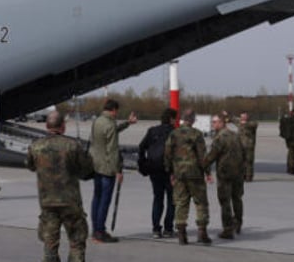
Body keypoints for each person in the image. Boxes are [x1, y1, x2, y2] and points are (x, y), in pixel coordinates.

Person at [25, 111, 90, 262]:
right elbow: (85, 169)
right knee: (77, 242)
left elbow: (29, 166)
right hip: (70, 203)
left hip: (48, 204)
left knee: (50, 245)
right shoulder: (73, 146)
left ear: (47, 126)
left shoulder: (35, 147)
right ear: (63, 126)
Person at [89, 99, 136, 243]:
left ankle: (95, 230)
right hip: (107, 168)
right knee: (105, 200)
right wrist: (118, 171)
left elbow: (111, 133)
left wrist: (128, 123)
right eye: (117, 111)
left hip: (96, 166)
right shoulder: (110, 124)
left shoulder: (97, 121)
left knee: (96, 198)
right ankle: (100, 232)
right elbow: (113, 151)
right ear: (114, 110)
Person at [164, 108, 213, 246]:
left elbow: (167, 153)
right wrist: (208, 172)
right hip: (195, 173)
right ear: (192, 119)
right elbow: (202, 156)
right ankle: (202, 232)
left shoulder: (174, 133)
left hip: (179, 173)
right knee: (201, 202)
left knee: (181, 202)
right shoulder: (197, 134)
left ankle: (181, 234)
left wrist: (170, 171)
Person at [203, 113, 245, 239]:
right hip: (238, 173)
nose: (213, 124)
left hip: (225, 174)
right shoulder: (235, 135)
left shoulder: (220, 138)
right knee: (237, 199)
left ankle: (228, 229)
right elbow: (244, 151)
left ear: (222, 123)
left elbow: (211, 156)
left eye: (215, 122)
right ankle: (238, 223)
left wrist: (203, 167)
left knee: (225, 202)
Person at [137, 107, 177, 239]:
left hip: (154, 169)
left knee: (157, 199)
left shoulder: (152, 131)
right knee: (172, 200)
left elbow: (141, 147)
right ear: (171, 119)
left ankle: (155, 229)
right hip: (170, 171)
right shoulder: (175, 132)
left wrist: (143, 165)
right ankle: (168, 228)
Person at [235, 111, 258, 182]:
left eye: (244, 116)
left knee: (249, 162)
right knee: (241, 162)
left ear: (247, 116)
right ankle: (242, 176)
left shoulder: (252, 123)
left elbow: (254, 125)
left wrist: (245, 123)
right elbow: (233, 119)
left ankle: (249, 176)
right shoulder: (239, 122)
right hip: (240, 145)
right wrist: (226, 114)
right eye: (241, 117)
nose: (243, 118)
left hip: (249, 146)